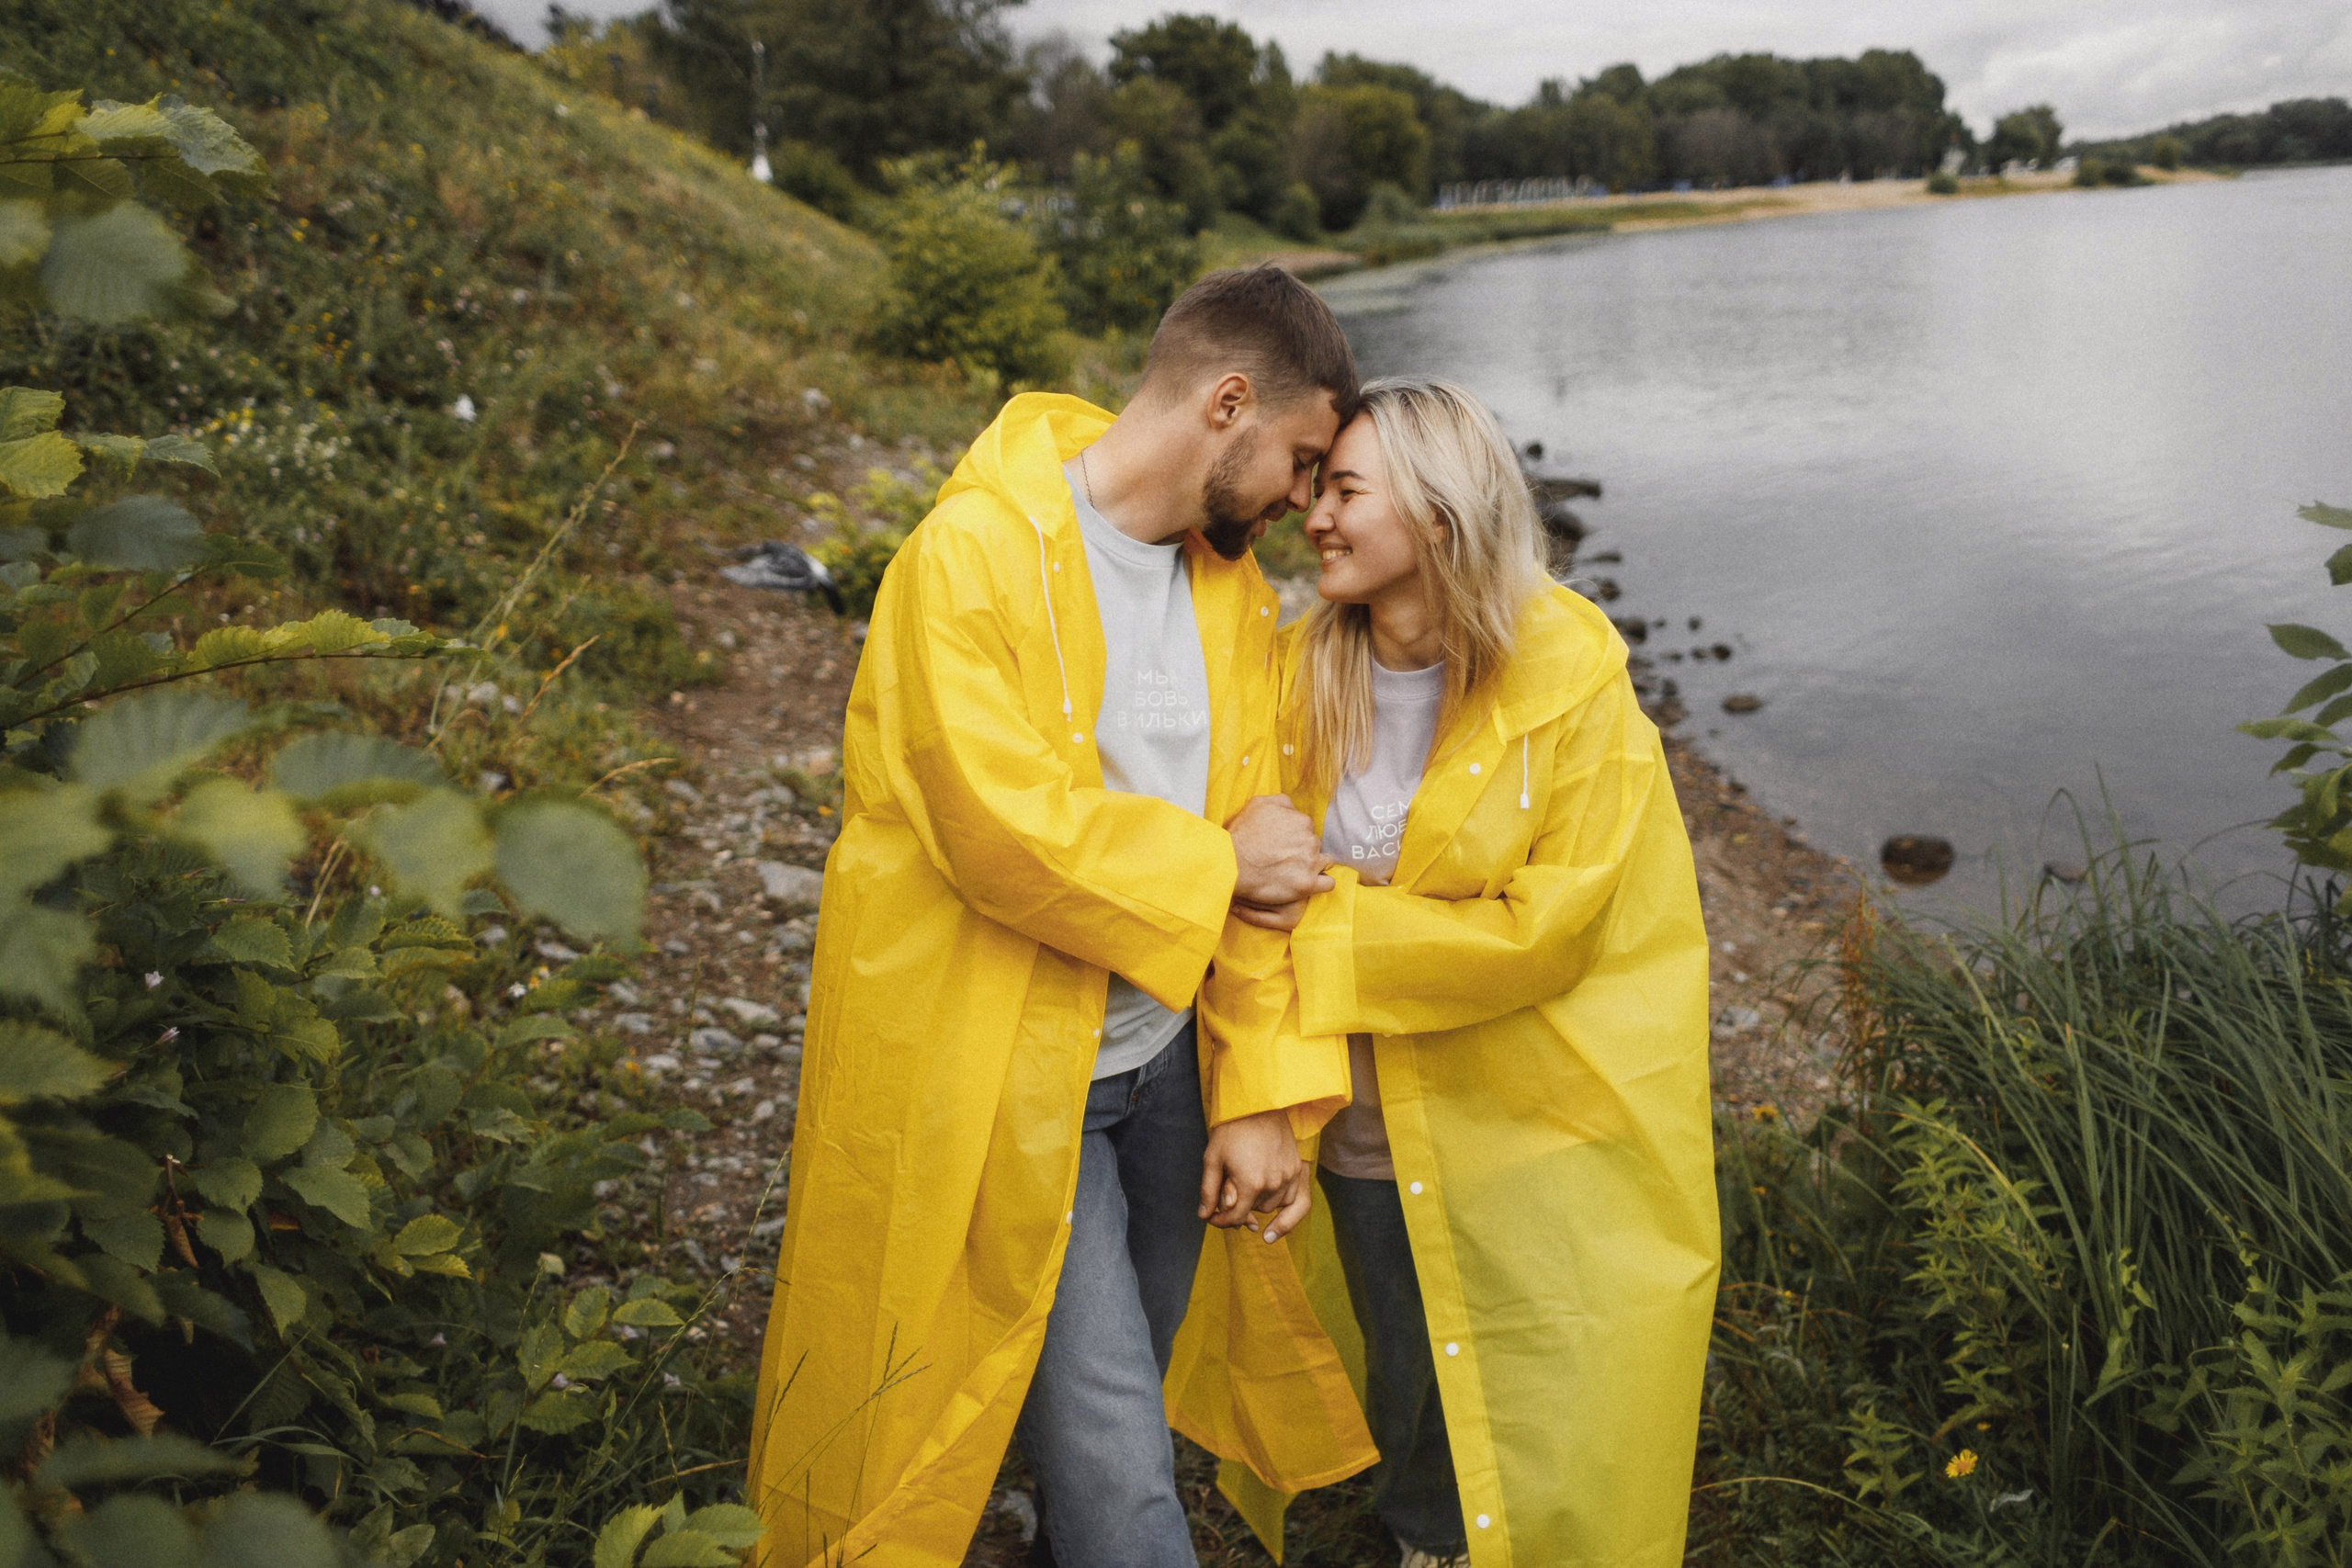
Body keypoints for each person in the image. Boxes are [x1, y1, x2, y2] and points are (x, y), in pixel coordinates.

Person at [746, 268, 1378, 1568]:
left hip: (1164, 1074)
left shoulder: (1230, 596)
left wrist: (1258, 1094)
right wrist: (1215, 862)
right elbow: (1001, 830)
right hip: (1006, 1082)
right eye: (1304, 462)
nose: (1304, 505)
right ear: (1228, 402)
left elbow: (1278, 873)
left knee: (1124, 1400)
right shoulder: (966, 557)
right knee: (1117, 1459)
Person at [1229, 378, 1718, 1567]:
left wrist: (1328, 921)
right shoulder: (1297, 678)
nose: (1316, 517)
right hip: (1357, 1116)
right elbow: (1238, 892)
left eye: (1345, 489)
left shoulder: (1571, 680)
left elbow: (1552, 928)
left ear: (1439, 516)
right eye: (1319, 488)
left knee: (1552, 1369)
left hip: (1531, 1105)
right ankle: (1426, 1542)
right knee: (1405, 1373)